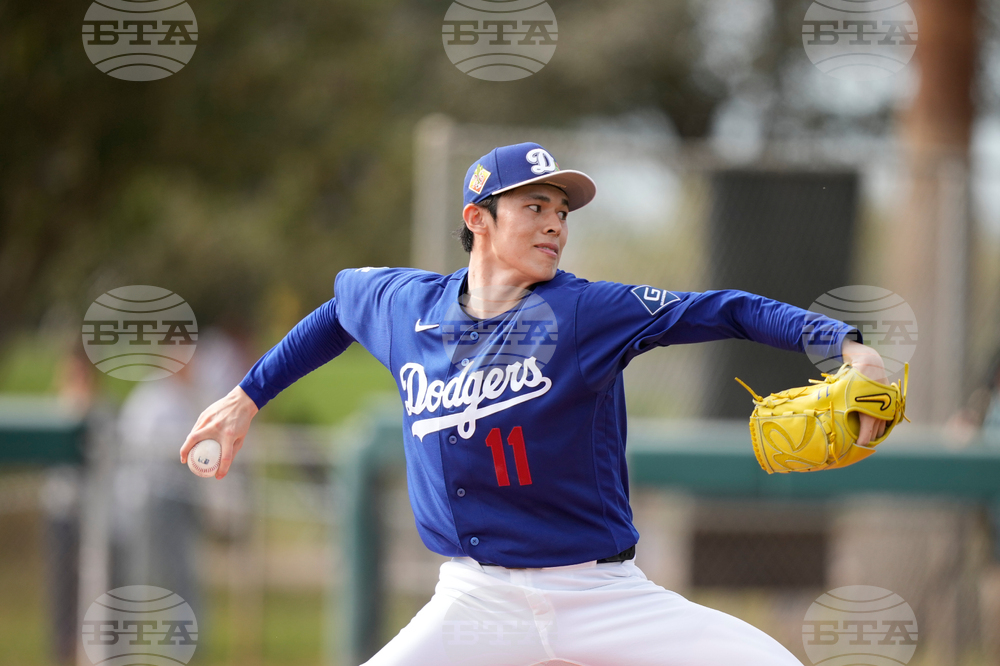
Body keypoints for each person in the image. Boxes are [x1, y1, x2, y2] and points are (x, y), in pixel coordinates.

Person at [181, 142, 891, 665]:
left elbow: (723, 309)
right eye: (534, 206)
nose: (555, 223)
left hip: (605, 595)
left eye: (561, 210)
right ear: (478, 219)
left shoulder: (585, 311)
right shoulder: (406, 307)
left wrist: (843, 344)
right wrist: (247, 397)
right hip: (477, 599)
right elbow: (337, 310)